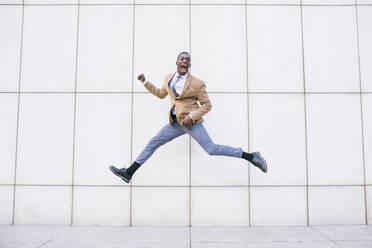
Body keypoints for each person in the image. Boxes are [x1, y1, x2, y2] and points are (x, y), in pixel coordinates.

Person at [109, 52, 267, 183]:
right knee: (153, 143)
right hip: (175, 123)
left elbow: (207, 105)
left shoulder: (197, 83)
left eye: (187, 60)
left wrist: (192, 116)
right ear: (176, 62)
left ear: (189, 65)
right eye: (182, 59)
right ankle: (129, 173)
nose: (184, 61)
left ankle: (251, 156)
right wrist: (145, 82)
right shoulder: (168, 78)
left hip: (192, 124)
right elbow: (160, 94)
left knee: (212, 149)